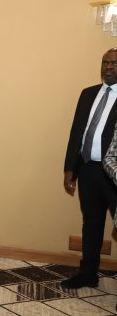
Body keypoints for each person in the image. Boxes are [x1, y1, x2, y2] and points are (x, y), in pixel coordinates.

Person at [64, 48, 117, 289]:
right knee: (92, 223)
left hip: (114, 175)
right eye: (105, 62)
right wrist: (70, 169)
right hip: (88, 170)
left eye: (114, 63)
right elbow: (77, 132)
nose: (108, 67)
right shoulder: (88, 94)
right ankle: (88, 274)